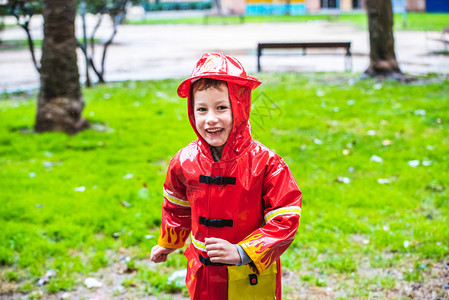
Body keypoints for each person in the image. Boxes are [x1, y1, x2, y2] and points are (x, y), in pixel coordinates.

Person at [150, 52, 302, 300]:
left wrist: (243, 251)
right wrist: (170, 242)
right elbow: (176, 205)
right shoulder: (184, 161)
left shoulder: (267, 164)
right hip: (203, 269)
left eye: (222, 107)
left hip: (248, 272)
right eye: (202, 109)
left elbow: (285, 218)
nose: (211, 119)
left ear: (240, 108)